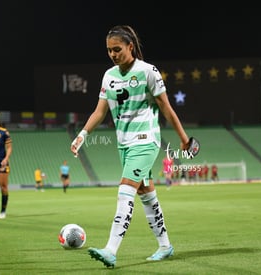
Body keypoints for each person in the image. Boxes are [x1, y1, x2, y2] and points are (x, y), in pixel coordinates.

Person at [70, 25, 192, 268]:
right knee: (146, 195)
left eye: (117, 49)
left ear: (130, 47)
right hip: (124, 144)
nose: (113, 54)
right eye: (109, 50)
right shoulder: (109, 76)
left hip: (146, 141)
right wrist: (83, 133)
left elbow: (166, 108)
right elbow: (100, 110)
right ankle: (165, 246)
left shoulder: (148, 72)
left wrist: (184, 139)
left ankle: (110, 250)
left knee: (125, 191)